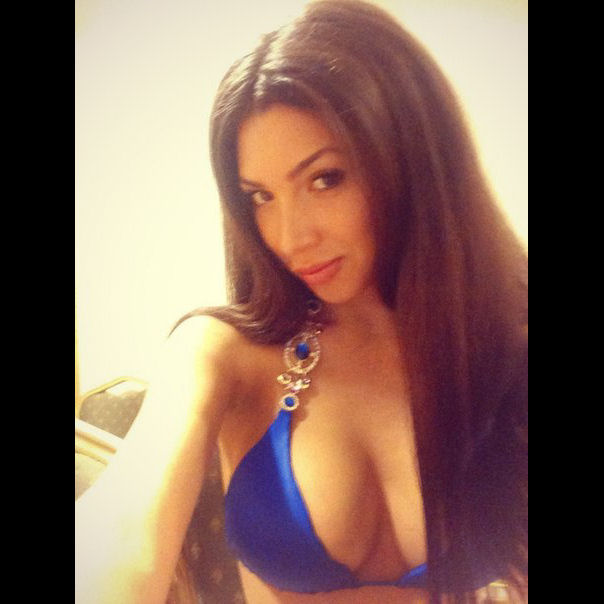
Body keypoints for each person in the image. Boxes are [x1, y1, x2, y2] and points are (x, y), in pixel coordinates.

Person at [75, 0, 528, 602]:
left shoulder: (506, 345)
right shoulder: (221, 352)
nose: (290, 238)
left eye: (325, 178)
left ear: (414, 157)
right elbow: (123, 536)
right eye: (260, 196)